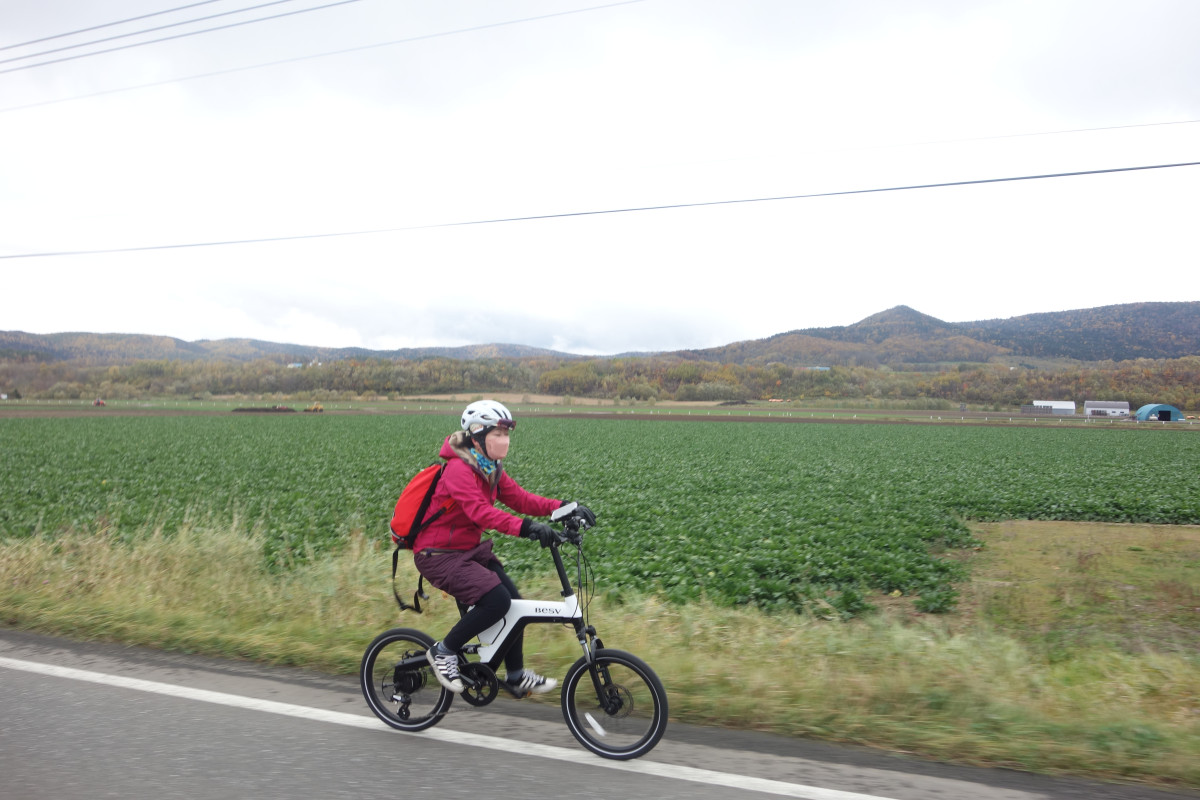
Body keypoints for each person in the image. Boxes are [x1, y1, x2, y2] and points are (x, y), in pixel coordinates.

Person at [412, 400, 594, 696]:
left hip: (468, 552)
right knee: (497, 601)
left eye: (507, 434)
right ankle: (444, 652)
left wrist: (564, 507)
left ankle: (515, 675)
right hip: (438, 556)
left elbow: (520, 499)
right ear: (477, 435)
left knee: (515, 604)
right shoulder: (459, 470)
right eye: (498, 434)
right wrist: (527, 528)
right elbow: (480, 513)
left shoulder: (489, 467)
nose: (505, 440)